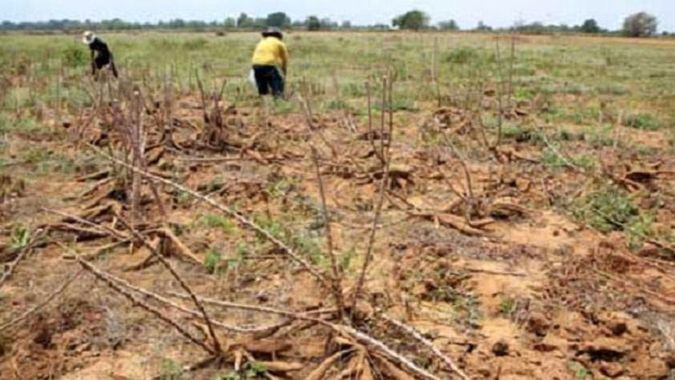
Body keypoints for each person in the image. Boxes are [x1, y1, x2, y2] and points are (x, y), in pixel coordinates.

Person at [251, 27, 289, 98]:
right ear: (279, 35)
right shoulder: (279, 43)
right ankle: (278, 98)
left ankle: (264, 98)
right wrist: (284, 71)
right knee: (277, 81)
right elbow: (285, 59)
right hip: (269, 65)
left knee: (262, 84)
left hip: (255, 65)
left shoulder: (261, 42)